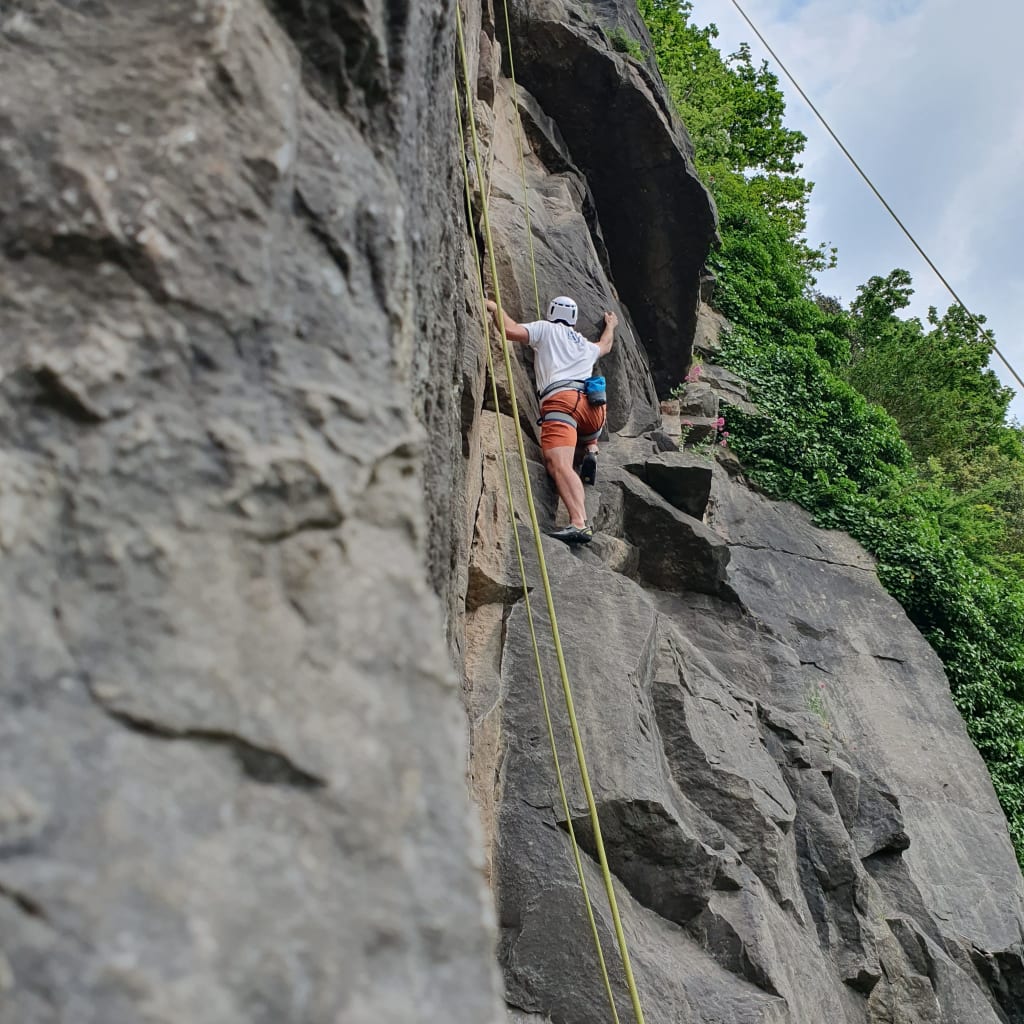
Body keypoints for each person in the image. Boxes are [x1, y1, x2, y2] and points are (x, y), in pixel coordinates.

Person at [486, 295, 617, 545]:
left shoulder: (545, 329)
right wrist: (610, 325)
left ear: (551, 312)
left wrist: (494, 307)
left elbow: (510, 330)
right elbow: (605, 345)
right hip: (593, 411)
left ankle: (579, 522)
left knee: (559, 464)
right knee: (578, 441)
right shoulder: (583, 344)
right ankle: (591, 448)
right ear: (573, 319)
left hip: (562, 403)